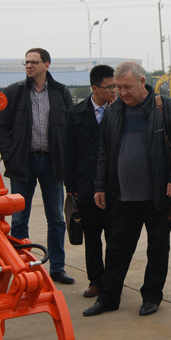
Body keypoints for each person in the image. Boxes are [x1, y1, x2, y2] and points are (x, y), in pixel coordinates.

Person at [82, 61, 171, 317]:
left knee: (157, 249)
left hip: (158, 196)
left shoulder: (165, 108)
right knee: (117, 250)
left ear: (142, 82)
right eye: (118, 87)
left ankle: (151, 297)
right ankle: (108, 298)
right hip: (123, 197)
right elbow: (104, 152)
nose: (122, 93)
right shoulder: (114, 111)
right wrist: (100, 186)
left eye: (127, 87)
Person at [0, 48, 74, 284]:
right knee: (19, 219)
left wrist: (66, 159)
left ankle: (57, 267)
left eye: (34, 62)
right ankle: (21, 267)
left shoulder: (61, 92)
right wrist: (10, 156)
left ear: (46, 65)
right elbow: (1, 127)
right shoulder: (14, 92)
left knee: (56, 219)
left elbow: (70, 128)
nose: (29, 66)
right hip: (23, 163)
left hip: (52, 163)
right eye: (26, 62)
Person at [63, 65, 117, 298]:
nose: (114, 91)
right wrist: (71, 186)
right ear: (94, 88)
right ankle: (95, 280)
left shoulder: (120, 111)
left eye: (115, 86)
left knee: (114, 237)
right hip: (86, 185)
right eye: (109, 87)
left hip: (114, 185)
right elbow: (69, 152)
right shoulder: (75, 114)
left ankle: (112, 279)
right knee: (92, 236)